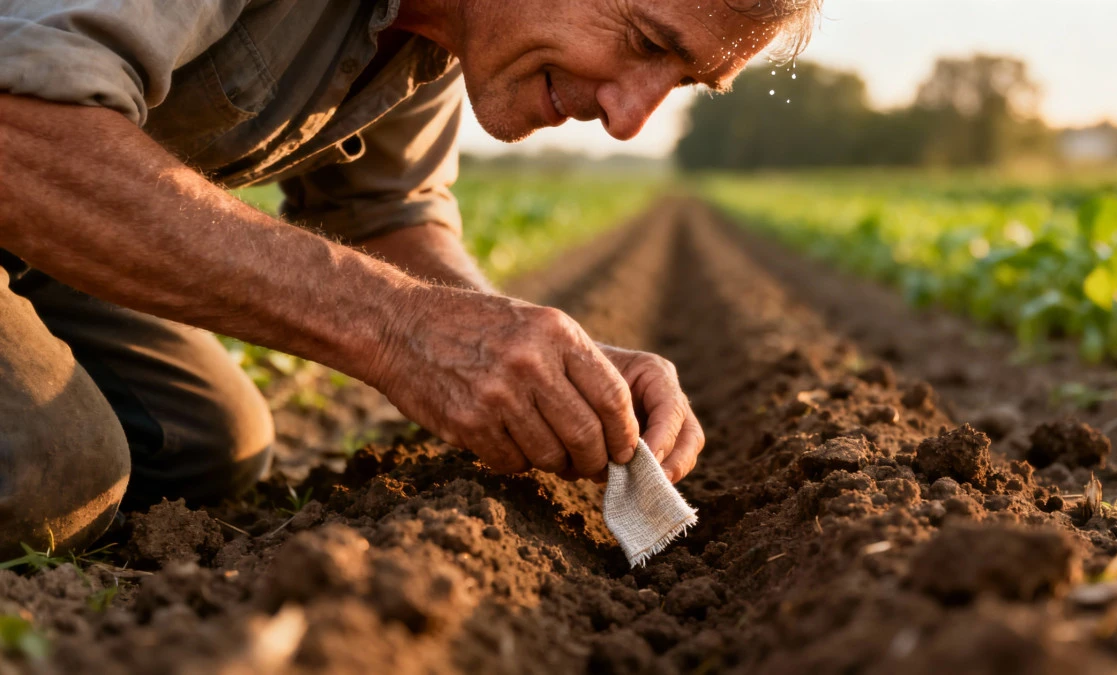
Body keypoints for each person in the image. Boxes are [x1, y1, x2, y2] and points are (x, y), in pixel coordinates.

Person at [0, 0, 821, 556]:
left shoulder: (441, 31)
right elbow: (18, 127)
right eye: (645, 42)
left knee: (202, 440)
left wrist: (534, 356)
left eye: (681, 79)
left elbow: (386, 210)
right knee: (55, 466)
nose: (630, 118)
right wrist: (398, 326)